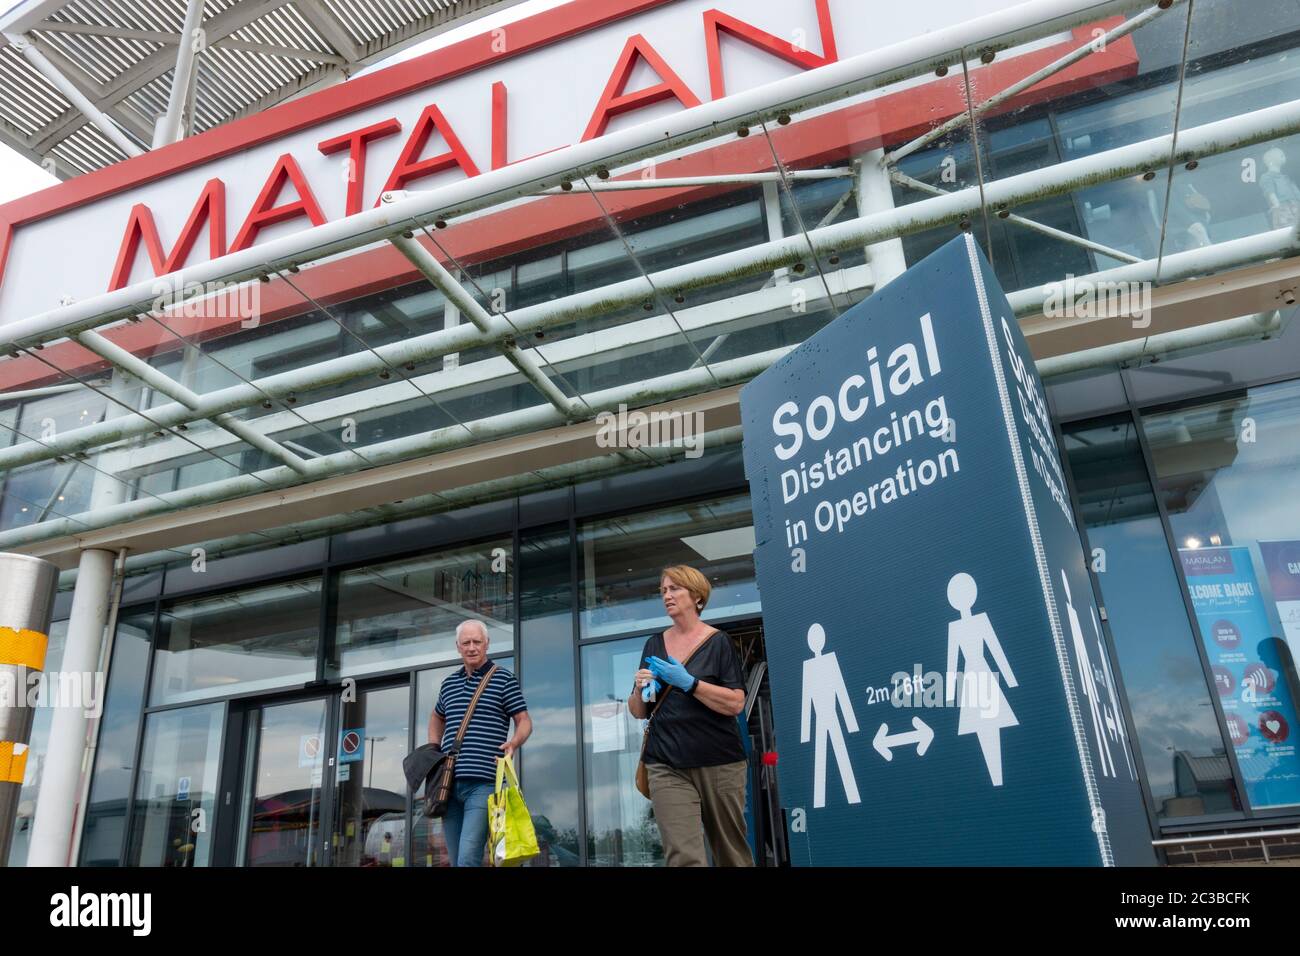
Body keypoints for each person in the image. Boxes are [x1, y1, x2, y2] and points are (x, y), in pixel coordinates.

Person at [627, 565, 753, 867]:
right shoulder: (653, 644)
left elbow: (736, 703)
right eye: (663, 591)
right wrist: (640, 689)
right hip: (666, 762)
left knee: (731, 853)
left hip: (719, 762)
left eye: (674, 589)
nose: (667, 596)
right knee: (682, 857)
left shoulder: (718, 642)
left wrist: (690, 683)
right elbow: (638, 710)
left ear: (696, 596)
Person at [427, 619, 531, 867]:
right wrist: (434, 748)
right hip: (448, 786)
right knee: (457, 860)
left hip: (483, 783)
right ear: (458, 647)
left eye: (477, 642)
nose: (472, 647)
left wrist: (514, 743)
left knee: (468, 858)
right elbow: (436, 716)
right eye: (466, 642)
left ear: (487, 644)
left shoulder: (503, 679)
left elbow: (524, 720)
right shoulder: (449, 684)